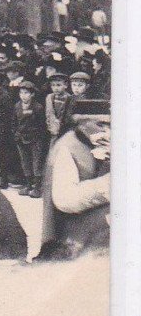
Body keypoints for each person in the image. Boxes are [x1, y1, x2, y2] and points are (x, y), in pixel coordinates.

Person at [39, 99, 110, 259]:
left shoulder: (101, 142)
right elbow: (63, 198)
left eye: (110, 125)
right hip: (77, 238)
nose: (107, 131)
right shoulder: (68, 147)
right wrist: (107, 186)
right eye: (100, 125)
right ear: (82, 123)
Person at [13, 80, 45, 197]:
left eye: (26, 93)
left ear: (32, 94)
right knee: (25, 162)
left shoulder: (38, 107)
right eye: (21, 93)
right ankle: (28, 185)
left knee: (36, 162)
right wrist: (16, 134)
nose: (23, 96)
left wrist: (38, 137)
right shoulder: (17, 106)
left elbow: (42, 125)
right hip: (21, 138)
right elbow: (14, 122)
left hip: (35, 139)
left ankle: (37, 187)